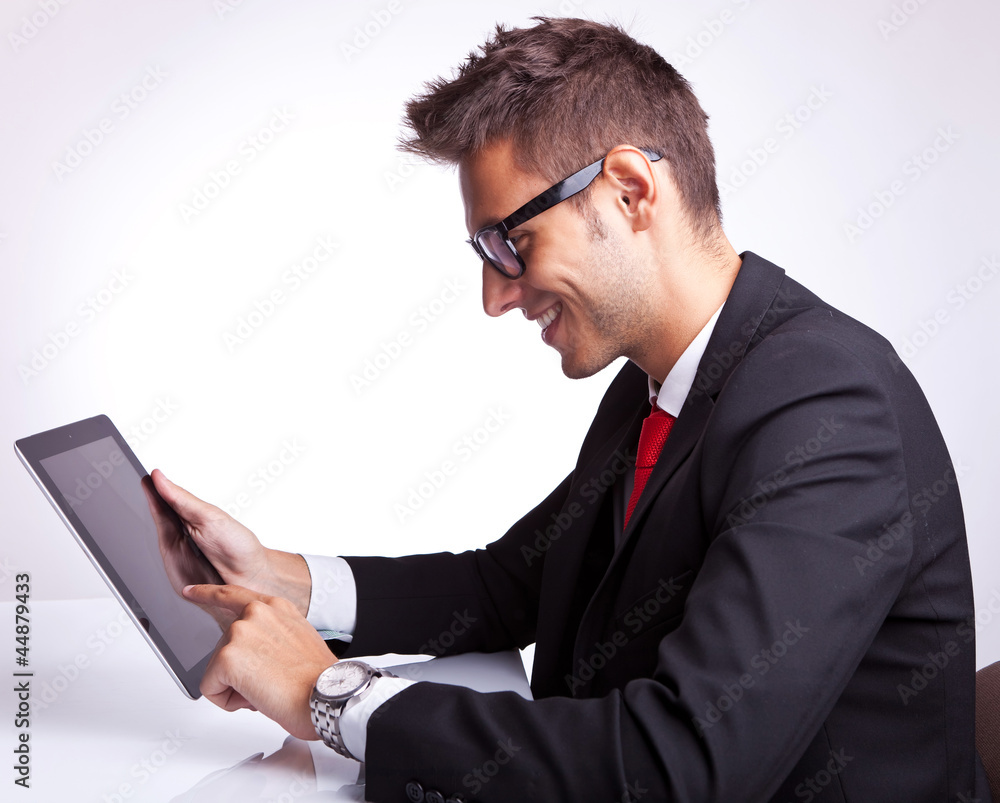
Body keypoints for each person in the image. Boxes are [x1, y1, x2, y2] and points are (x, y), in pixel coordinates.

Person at [152, 17, 989, 803]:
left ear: (629, 190)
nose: (494, 297)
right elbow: (508, 583)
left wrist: (329, 693)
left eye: (509, 242)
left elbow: (682, 763)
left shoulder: (830, 404)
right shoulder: (659, 383)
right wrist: (276, 579)